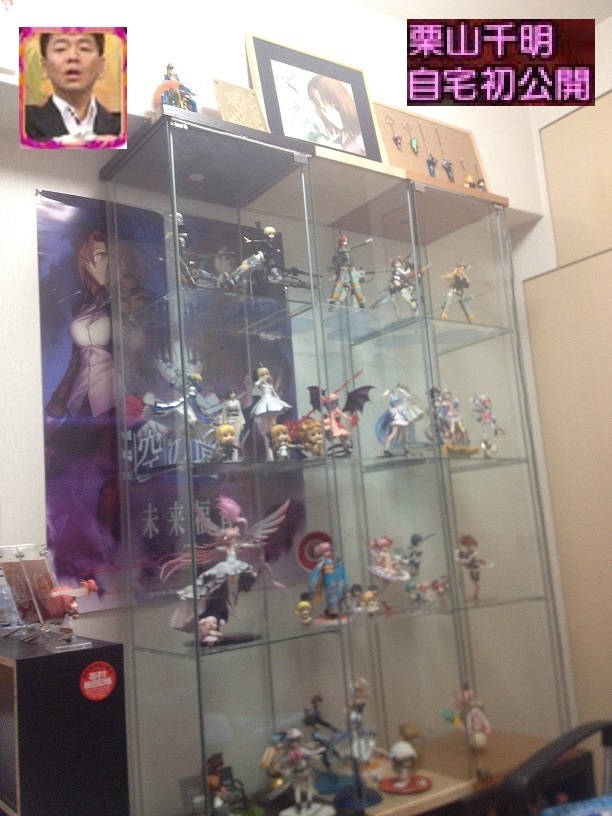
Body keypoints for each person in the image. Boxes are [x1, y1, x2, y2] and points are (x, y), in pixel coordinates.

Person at [25, 31, 122, 144]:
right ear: (44, 67)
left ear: (101, 66)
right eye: (60, 49)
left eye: (84, 48)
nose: (73, 57)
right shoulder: (24, 121)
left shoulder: (121, 127)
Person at [306, 74, 366, 156]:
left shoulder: (363, 138)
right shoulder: (335, 144)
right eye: (323, 109)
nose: (332, 114)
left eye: (334, 107)